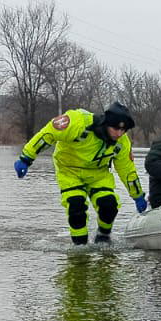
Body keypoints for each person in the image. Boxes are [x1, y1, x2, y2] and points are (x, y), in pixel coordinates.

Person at [15, 102, 146, 245]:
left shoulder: (122, 143)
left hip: (98, 175)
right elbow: (47, 134)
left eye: (124, 130)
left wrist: (137, 195)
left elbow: (127, 171)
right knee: (76, 207)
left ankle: (103, 236)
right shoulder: (77, 122)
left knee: (109, 205)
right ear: (107, 123)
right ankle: (80, 249)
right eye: (116, 128)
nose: (119, 134)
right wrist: (26, 158)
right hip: (69, 171)